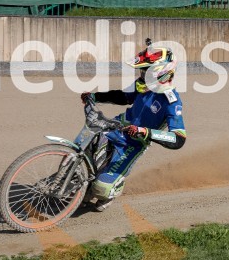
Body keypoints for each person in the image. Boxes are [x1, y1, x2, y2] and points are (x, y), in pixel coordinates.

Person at [80, 43, 186, 211]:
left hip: (133, 143)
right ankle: (83, 184)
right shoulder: (145, 85)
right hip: (116, 126)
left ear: (161, 72)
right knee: (84, 150)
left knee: (101, 189)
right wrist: (94, 96)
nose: (141, 75)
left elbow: (178, 138)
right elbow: (125, 97)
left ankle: (109, 191)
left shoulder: (172, 102)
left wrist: (145, 132)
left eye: (145, 71)